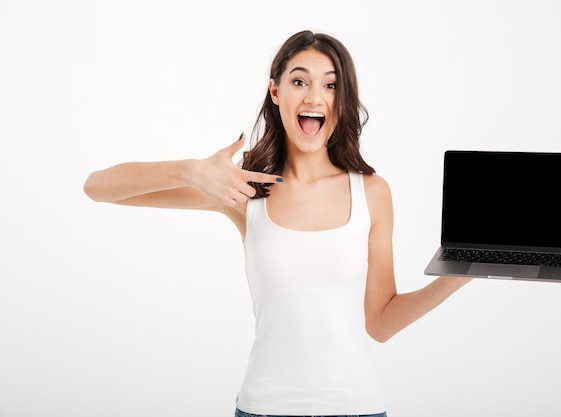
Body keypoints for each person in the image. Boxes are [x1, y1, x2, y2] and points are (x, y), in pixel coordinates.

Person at [83, 30, 471, 417]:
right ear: (275, 92)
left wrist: (459, 274)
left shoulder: (372, 192)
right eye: (299, 81)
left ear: (343, 98)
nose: (314, 96)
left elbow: (381, 323)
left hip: (358, 407)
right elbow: (98, 188)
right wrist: (191, 171)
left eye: (331, 85)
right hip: (264, 408)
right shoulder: (244, 189)